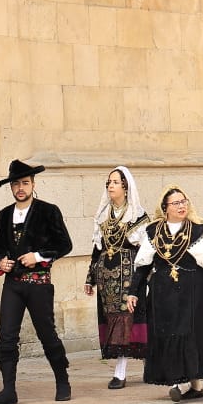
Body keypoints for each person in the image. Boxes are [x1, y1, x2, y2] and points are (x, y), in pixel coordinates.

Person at [127, 184, 203, 402]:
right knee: (169, 333)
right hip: (163, 290)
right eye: (176, 203)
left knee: (190, 333)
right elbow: (143, 265)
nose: (182, 206)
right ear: (165, 208)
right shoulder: (153, 232)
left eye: (184, 201)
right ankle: (177, 381)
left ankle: (193, 385)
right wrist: (133, 292)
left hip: (194, 289)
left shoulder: (200, 230)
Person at [0, 160, 74, 404]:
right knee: (7, 336)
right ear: (11, 187)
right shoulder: (4, 215)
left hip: (38, 283)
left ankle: (62, 380)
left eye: (25, 183)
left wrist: (38, 256)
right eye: (16, 184)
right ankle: (9, 390)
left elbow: (65, 244)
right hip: (13, 284)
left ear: (33, 184)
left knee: (47, 333)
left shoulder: (48, 210)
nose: (20, 188)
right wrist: (1, 261)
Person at [84, 166, 150, 389]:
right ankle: (127, 367)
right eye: (109, 182)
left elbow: (146, 251)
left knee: (132, 319)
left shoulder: (138, 215)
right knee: (113, 319)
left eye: (115, 182)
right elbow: (97, 248)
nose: (110, 186)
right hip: (107, 276)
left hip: (130, 275)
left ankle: (123, 371)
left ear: (125, 186)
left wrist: (145, 279)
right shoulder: (103, 215)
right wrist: (90, 278)